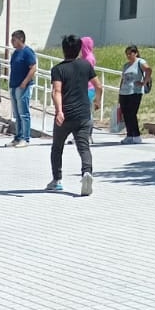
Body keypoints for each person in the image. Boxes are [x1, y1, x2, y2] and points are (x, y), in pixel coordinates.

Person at [46, 35, 102, 196]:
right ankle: (86, 172)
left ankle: (57, 180)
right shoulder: (86, 65)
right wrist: (97, 102)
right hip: (84, 114)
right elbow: (99, 86)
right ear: (79, 50)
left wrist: (59, 111)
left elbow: (56, 91)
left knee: (57, 147)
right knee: (84, 147)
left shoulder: (58, 69)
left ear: (63, 50)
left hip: (66, 115)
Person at [7, 30, 37, 147]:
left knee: (24, 112)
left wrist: (25, 82)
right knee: (17, 114)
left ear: (20, 39)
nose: (12, 42)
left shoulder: (27, 52)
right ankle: (18, 137)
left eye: (14, 39)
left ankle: (25, 137)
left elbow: (33, 68)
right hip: (14, 85)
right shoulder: (15, 53)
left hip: (23, 86)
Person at [117, 46, 151, 145]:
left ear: (135, 53)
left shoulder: (140, 62)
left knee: (132, 113)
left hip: (135, 92)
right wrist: (120, 92)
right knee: (126, 114)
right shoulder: (126, 65)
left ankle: (136, 135)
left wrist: (144, 82)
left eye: (130, 53)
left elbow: (148, 70)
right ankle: (129, 135)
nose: (128, 56)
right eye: (126, 54)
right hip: (124, 92)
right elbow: (123, 79)